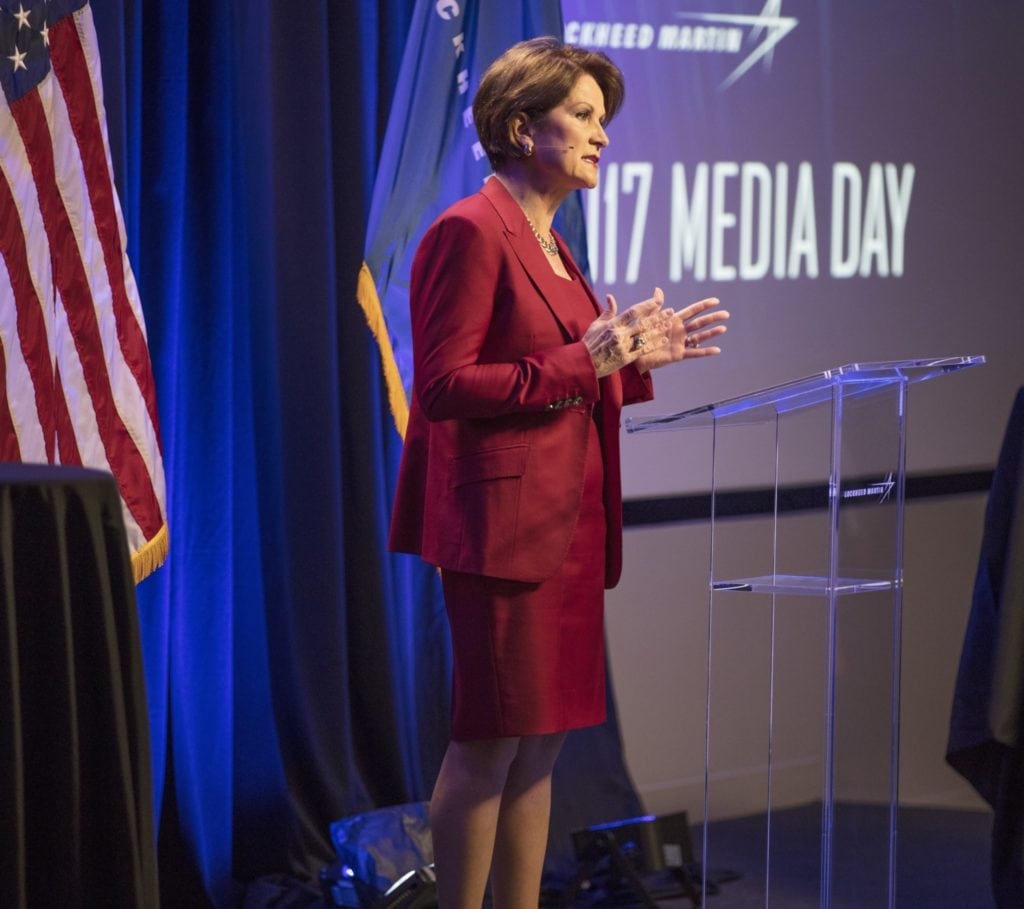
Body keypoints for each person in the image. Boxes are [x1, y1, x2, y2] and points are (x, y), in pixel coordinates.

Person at [388, 36, 729, 909]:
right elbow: (445, 387)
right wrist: (592, 359)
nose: (601, 137)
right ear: (516, 125)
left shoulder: (553, 242)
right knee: (489, 743)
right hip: (504, 534)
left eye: (601, 120)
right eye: (582, 116)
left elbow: (575, 366)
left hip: (568, 529)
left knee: (540, 746)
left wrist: (639, 355)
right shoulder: (470, 231)